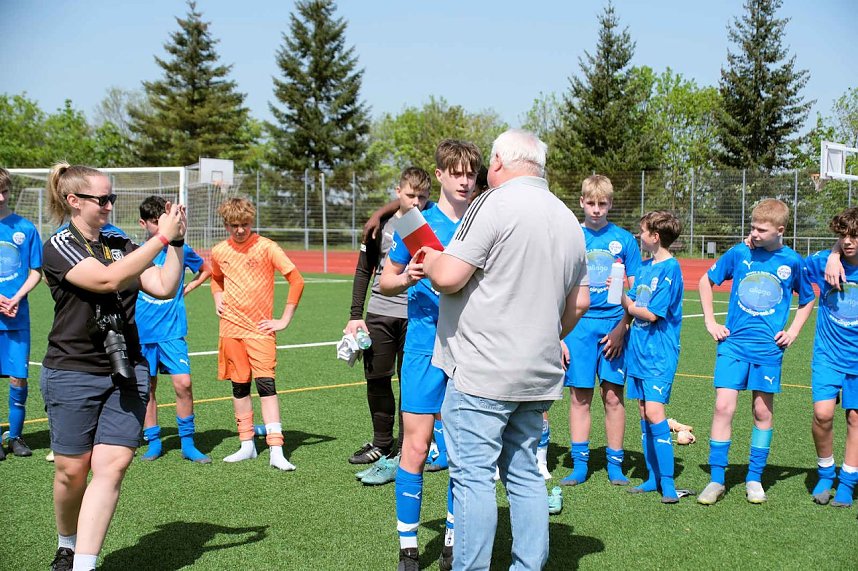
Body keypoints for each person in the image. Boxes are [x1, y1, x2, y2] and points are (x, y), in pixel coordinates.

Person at [421, 129, 589, 570]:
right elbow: (581, 301)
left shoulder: (493, 204)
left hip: (484, 370)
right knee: (525, 474)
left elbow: (450, 276)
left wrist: (431, 261)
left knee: (473, 478)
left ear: (497, 162)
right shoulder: (567, 217)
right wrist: (547, 334)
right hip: (538, 372)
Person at [41, 163, 187, 571]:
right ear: (74, 201)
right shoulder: (59, 245)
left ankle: (83, 565)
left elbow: (163, 286)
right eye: (101, 199)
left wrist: (176, 242)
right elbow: (106, 280)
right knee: (73, 472)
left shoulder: (119, 240)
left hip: (127, 367)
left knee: (114, 464)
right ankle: (66, 543)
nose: (108, 206)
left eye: (112, 199)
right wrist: (159, 236)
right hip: (72, 369)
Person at [379, 139, 481, 571]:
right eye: (455, 172)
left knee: (461, 451)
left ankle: (453, 543)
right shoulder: (417, 224)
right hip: (424, 345)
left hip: (473, 347)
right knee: (416, 448)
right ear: (439, 175)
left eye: (470, 173)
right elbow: (385, 281)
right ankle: (408, 549)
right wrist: (407, 279)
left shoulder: (484, 222)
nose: (464, 180)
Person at [697, 198, 815, 505]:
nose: (754, 233)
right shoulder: (740, 252)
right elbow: (705, 281)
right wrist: (711, 321)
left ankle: (754, 477)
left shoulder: (792, 261)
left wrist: (793, 331)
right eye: (752, 227)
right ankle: (716, 479)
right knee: (723, 407)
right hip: (733, 345)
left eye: (761, 229)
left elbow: (807, 298)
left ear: (780, 230)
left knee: (762, 411)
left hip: (767, 350)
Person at [345, 167, 431, 486]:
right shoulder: (380, 225)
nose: (417, 203)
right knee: (377, 378)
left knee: (411, 382)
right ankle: (381, 444)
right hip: (379, 313)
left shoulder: (433, 221)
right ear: (398, 191)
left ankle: (408, 445)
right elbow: (363, 272)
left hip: (417, 315)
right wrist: (356, 315)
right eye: (410, 195)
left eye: (423, 197)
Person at [210, 197, 305, 471]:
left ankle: (276, 449)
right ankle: (246, 445)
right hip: (230, 329)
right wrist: (217, 296)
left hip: (260, 330)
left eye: (245, 224)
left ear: (252, 221)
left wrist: (284, 319)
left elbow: (296, 279)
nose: (240, 230)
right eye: (234, 225)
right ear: (226, 224)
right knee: (239, 386)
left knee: (266, 386)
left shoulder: (267, 247)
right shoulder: (219, 251)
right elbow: (215, 278)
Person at [559, 175, 641, 487]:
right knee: (580, 396)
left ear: (610, 204)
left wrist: (623, 327)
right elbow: (558, 286)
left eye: (602, 203)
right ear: (581, 202)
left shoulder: (624, 240)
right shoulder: (570, 238)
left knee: (612, 397)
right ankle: (580, 465)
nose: (596, 209)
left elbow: (635, 290)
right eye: (590, 203)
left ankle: (615, 464)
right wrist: (561, 334)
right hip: (578, 326)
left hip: (613, 327)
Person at [136, 196, 212, 463]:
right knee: (147, 388)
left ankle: (188, 443)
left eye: (163, 221)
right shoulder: (139, 251)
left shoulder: (179, 248)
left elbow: (205, 269)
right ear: (143, 223)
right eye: (154, 223)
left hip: (172, 329)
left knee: (184, 383)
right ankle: (154, 441)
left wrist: (188, 287)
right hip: (143, 331)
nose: (159, 227)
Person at [618, 211, 684, 503]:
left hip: (659, 354)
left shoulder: (671, 269)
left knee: (656, 413)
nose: (638, 236)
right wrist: (619, 287)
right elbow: (633, 299)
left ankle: (668, 483)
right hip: (638, 352)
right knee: (644, 413)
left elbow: (652, 313)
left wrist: (625, 300)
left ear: (655, 237)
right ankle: (652, 477)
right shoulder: (644, 268)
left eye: (642, 231)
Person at [805, 207, 858, 507]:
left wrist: (837, 252)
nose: (848, 241)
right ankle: (826, 471)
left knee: (855, 418)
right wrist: (833, 255)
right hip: (828, 354)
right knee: (823, 414)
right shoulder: (823, 263)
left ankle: (848, 481)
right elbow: (789, 266)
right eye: (843, 236)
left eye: (854, 236)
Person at [0, 167, 42, 461]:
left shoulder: (25, 228)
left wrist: (16, 297)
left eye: (4, 191)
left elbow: (36, 271)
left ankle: (15, 437)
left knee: (18, 379)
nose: (0, 197)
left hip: (17, 318)